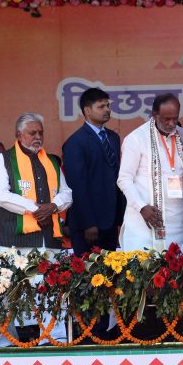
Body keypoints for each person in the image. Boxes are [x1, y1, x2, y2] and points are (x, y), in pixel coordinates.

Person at [0, 113, 72, 345]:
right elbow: (2, 195)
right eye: (32, 133)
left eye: (40, 133)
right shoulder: (4, 160)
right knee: (4, 291)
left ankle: (54, 337)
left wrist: (53, 206)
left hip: (48, 241)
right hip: (12, 240)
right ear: (18, 135)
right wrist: (37, 209)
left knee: (51, 289)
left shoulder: (52, 161)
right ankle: (4, 340)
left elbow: (67, 193)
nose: (37, 137)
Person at [118, 94, 183, 252]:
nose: (171, 123)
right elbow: (124, 179)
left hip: (179, 220)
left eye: (175, 118)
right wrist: (141, 207)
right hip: (145, 221)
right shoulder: (136, 138)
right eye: (166, 119)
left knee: (177, 271)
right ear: (154, 115)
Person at [62, 87, 125, 254]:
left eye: (108, 106)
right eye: (101, 106)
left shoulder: (113, 137)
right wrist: (88, 223)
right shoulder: (75, 142)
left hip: (110, 221)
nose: (107, 110)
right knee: (89, 277)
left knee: (110, 274)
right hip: (88, 225)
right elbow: (77, 186)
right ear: (87, 111)